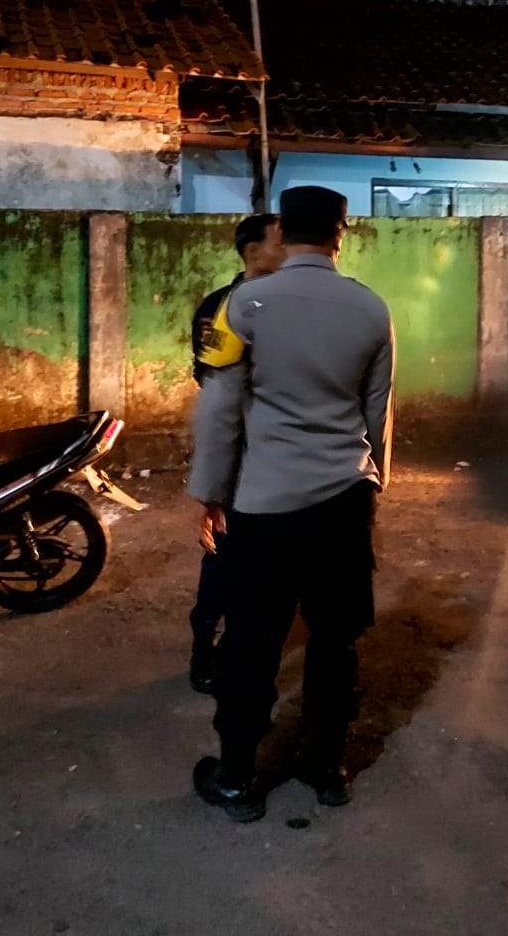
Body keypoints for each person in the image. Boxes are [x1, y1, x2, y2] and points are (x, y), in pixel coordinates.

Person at [187, 186, 395, 822]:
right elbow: (378, 409)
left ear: (282, 231)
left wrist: (209, 493)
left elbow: (220, 408)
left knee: (252, 640)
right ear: (341, 233)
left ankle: (236, 778)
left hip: (263, 502)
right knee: (335, 637)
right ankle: (326, 768)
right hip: (343, 499)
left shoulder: (243, 304)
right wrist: (375, 483)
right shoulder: (370, 307)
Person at [186, 213, 286, 694]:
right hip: (242, 456)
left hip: (286, 457)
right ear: (252, 252)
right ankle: (205, 645)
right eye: (280, 240)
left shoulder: (295, 303)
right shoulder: (221, 308)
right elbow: (214, 392)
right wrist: (212, 488)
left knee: (275, 565)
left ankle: (248, 648)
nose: (290, 247)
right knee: (225, 558)